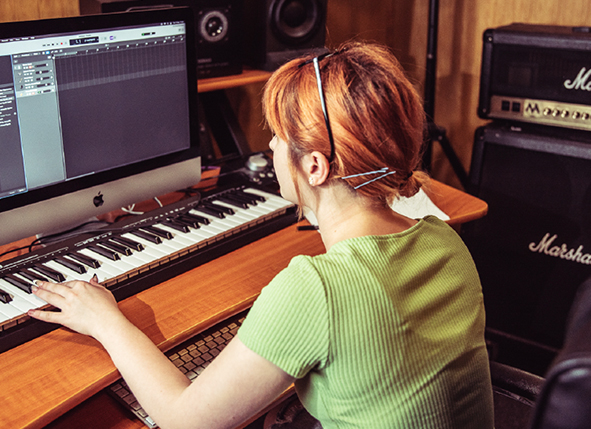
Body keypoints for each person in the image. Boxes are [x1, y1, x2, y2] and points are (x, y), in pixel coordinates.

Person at [29, 41, 494, 429]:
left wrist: (105, 320)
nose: (269, 146)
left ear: (315, 167)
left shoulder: (313, 290)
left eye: (277, 135)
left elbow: (184, 421)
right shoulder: (444, 240)